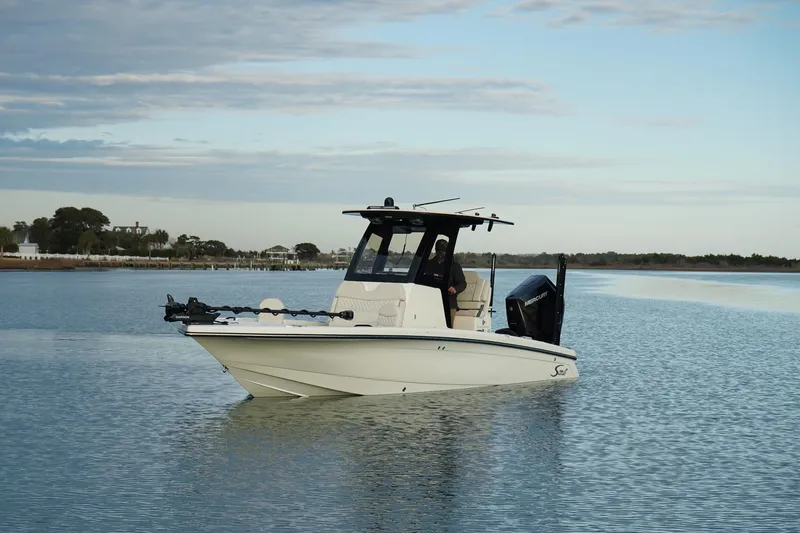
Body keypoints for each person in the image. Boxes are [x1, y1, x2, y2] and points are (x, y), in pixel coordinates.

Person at [424, 238, 467, 328]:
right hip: (430, 302)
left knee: (448, 327)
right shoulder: (428, 264)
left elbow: (462, 283)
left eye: (443, 250)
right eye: (438, 250)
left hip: (449, 303)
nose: (440, 253)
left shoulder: (454, 266)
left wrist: (455, 289)